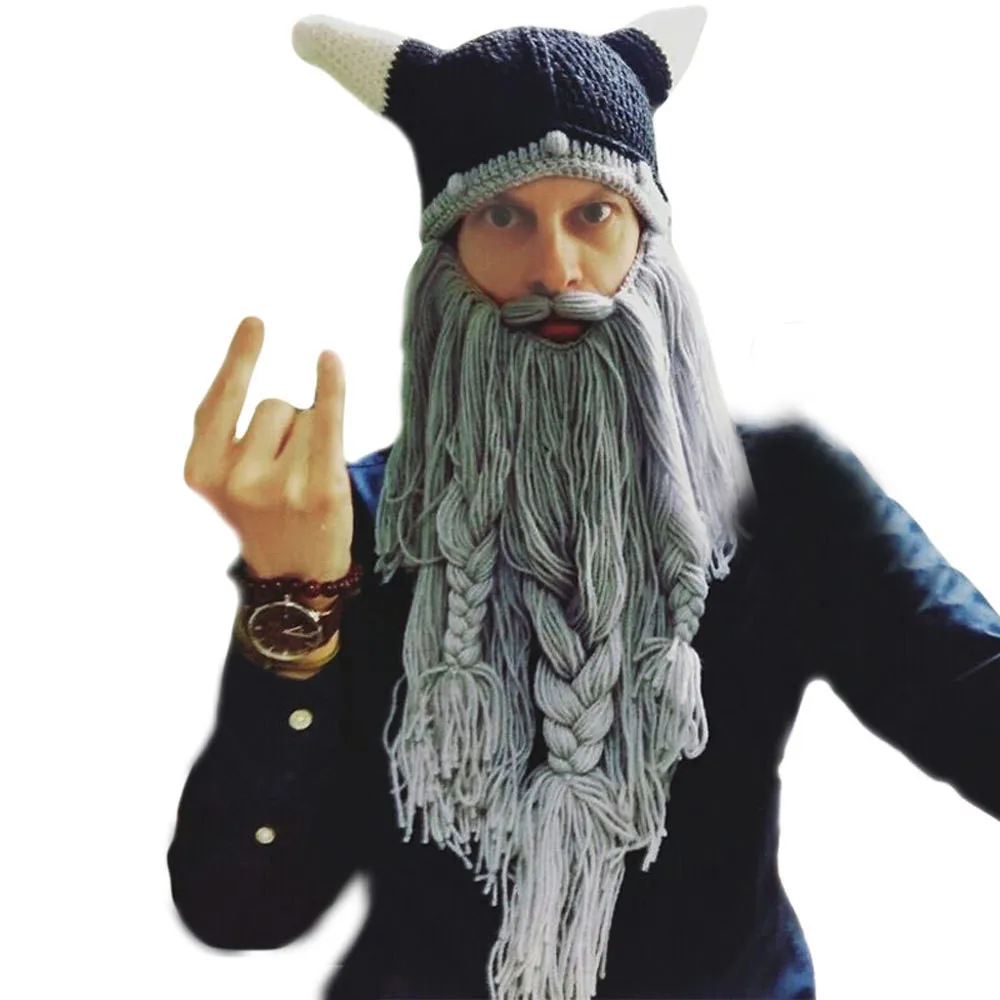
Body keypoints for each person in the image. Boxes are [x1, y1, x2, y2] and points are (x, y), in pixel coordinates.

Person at [167, 10, 1000, 1000]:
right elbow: (241, 905)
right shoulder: (348, 525)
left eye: (594, 214)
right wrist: (293, 595)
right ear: (446, 256)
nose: (556, 271)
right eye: (504, 216)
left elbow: (970, 700)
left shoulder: (784, 499)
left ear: (647, 241)